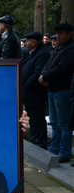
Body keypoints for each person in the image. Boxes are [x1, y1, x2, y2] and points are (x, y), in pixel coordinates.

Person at [39, 23, 74, 163]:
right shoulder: (58, 48)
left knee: (63, 124)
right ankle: (54, 149)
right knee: (54, 122)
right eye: (57, 33)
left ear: (69, 34)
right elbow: (47, 65)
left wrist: (45, 77)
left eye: (61, 33)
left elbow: (62, 68)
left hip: (63, 90)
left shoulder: (70, 50)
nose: (58, 36)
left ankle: (64, 152)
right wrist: (43, 76)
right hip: (53, 89)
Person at [23, 31, 50, 150]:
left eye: (28, 41)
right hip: (29, 94)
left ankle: (40, 144)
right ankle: (34, 141)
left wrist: (26, 86)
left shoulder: (42, 54)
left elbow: (37, 73)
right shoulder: (32, 53)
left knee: (37, 119)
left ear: (34, 43)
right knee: (32, 120)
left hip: (35, 93)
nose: (25, 43)